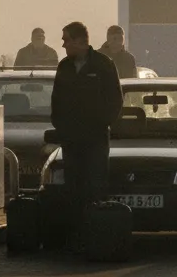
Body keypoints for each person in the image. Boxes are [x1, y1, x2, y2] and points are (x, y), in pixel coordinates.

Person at [51, 21, 124, 235]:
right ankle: (75, 234)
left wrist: (101, 124)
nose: (63, 45)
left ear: (80, 41)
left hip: (95, 140)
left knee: (95, 187)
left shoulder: (103, 65)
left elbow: (115, 101)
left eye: (66, 40)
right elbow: (57, 101)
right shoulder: (64, 67)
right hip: (71, 141)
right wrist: (62, 127)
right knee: (73, 187)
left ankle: (97, 233)